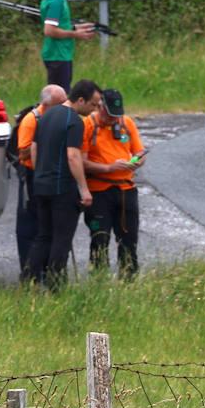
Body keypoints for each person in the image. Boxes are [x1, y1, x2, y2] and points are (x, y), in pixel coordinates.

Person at [26, 79, 101, 288]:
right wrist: (84, 189)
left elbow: (34, 147)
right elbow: (73, 156)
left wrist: (39, 171)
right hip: (62, 189)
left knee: (43, 235)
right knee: (62, 238)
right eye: (93, 104)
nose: (94, 109)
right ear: (80, 100)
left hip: (41, 185)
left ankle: (30, 281)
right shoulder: (74, 121)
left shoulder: (47, 114)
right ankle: (56, 286)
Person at [81, 87, 145, 278]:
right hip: (99, 191)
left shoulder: (126, 123)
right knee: (100, 238)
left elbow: (139, 152)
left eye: (116, 115)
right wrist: (109, 168)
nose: (113, 119)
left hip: (126, 189)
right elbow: (80, 161)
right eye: (109, 115)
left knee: (129, 238)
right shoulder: (87, 125)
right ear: (100, 106)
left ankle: (129, 278)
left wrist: (137, 162)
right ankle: (99, 279)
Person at [14, 84, 67, 279]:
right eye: (60, 103)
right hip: (31, 174)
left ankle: (46, 268)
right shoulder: (31, 120)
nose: (65, 106)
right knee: (30, 222)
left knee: (48, 224)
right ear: (47, 105)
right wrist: (44, 139)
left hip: (48, 173)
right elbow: (23, 151)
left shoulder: (58, 117)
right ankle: (30, 271)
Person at [40, 0, 96, 90]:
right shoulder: (56, 0)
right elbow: (49, 30)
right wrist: (76, 34)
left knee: (60, 93)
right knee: (59, 95)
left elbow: (59, 24)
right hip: (58, 54)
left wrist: (78, 27)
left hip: (60, 53)